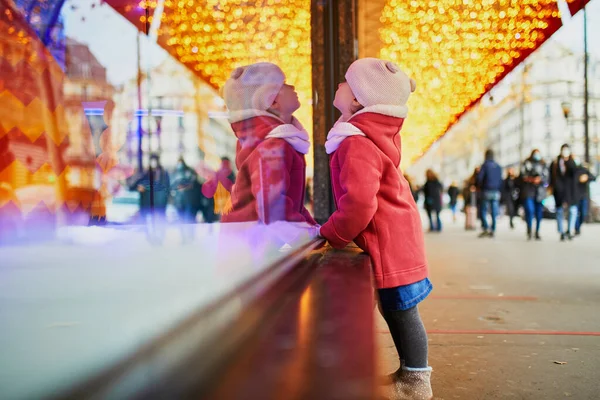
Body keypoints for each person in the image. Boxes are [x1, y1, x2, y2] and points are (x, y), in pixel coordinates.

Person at [319, 58, 433, 398]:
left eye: (344, 81)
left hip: (390, 243)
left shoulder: (356, 142)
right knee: (396, 307)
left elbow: (360, 204)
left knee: (402, 309)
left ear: (357, 99)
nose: (338, 86)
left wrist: (333, 233)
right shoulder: (365, 136)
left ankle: (416, 382)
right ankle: (409, 372)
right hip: (394, 238)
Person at [219, 62, 317, 225]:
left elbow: (291, 203)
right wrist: (309, 233)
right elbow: (272, 207)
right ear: (271, 101)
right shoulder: (273, 145)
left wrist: (312, 228)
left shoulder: (273, 140)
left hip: (250, 240)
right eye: (284, 84)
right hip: (254, 243)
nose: (292, 86)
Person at [129, 154, 170, 222]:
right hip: (147, 204)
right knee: (146, 224)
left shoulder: (163, 174)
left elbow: (166, 189)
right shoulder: (146, 174)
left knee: (160, 224)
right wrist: (139, 188)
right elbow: (134, 186)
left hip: (159, 205)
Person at [550, 144, 578, 241]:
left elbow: (574, 171)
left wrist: (568, 161)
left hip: (570, 191)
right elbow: (552, 177)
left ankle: (569, 230)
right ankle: (561, 231)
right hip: (559, 190)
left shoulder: (572, 161)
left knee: (572, 210)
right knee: (559, 211)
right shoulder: (555, 162)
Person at [520, 149, 548, 240]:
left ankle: (537, 231)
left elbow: (547, 178)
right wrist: (531, 179)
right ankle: (529, 229)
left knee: (539, 212)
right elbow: (522, 175)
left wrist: (540, 180)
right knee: (529, 210)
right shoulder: (527, 163)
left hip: (540, 192)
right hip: (528, 190)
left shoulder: (543, 164)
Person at [477, 149, 503, 238]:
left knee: (483, 210)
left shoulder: (485, 166)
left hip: (486, 190)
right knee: (494, 211)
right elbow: (500, 180)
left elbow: (480, 178)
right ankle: (493, 228)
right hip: (496, 191)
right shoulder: (498, 166)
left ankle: (486, 227)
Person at [171, 156, 202, 223]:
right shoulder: (175, 172)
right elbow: (172, 184)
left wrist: (184, 186)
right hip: (178, 201)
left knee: (189, 220)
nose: (180, 164)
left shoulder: (189, 171)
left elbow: (193, 182)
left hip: (189, 200)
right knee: (180, 221)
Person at [574, 160, 596, 236]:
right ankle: (576, 228)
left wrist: (587, 177)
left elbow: (593, 177)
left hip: (584, 196)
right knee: (575, 213)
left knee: (583, 213)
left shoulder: (585, 171)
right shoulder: (574, 171)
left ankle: (578, 227)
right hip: (575, 195)